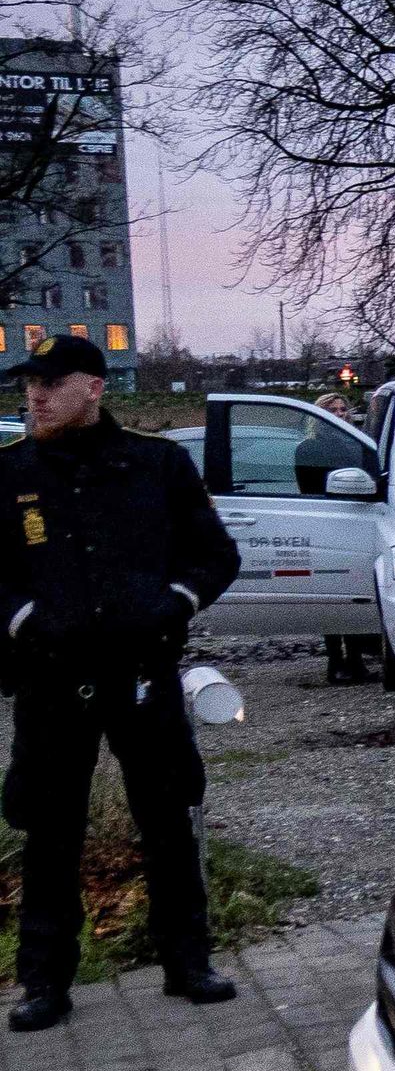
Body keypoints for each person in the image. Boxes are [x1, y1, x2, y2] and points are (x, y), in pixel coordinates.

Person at [0, 336, 242, 1033]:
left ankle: (187, 960)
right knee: (50, 831)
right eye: (29, 383)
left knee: (167, 818)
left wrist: (173, 603)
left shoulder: (157, 465)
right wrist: (24, 621)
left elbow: (215, 554)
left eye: (50, 382)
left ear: (95, 387)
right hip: (52, 681)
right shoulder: (11, 473)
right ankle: (44, 979)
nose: (35, 394)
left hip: (142, 675)